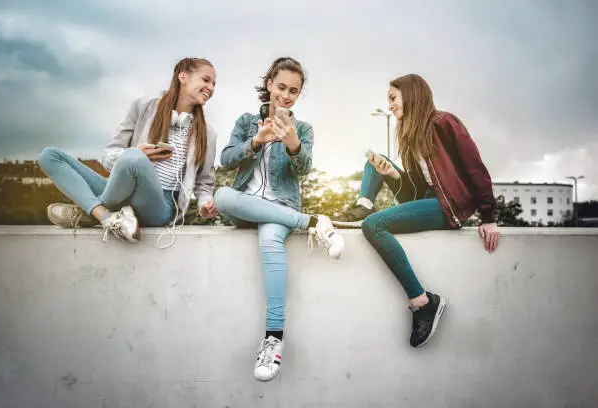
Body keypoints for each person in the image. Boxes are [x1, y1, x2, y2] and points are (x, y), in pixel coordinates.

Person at [334, 73, 500, 347]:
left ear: (410, 95)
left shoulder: (445, 123)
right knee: (376, 162)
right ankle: (362, 206)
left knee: (373, 226)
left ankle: (422, 302)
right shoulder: (410, 135)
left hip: (449, 207)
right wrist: (393, 176)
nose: (389, 105)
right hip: (425, 201)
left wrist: (489, 218)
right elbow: (412, 193)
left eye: (392, 98)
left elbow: (475, 168)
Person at [214, 57, 345, 381]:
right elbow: (226, 159)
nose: (286, 95)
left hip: (280, 207)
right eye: (282, 87)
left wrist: (293, 145)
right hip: (245, 203)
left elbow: (304, 168)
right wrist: (256, 141)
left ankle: (274, 339)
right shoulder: (246, 121)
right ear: (270, 84)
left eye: (294, 91)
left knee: (271, 240)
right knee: (221, 197)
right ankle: (311, 223)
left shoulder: (303, 129)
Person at [38, 57, 219, 242]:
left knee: (134, 157)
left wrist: (205, 203)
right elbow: (109, 157)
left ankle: (92, 211)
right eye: (206, 80)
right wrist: (138, 156)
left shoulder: (208, 134)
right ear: (183, 77)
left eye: (214, 84)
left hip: (160, 206)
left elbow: (204, 183)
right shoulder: (142, 107)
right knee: (50, 156)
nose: (211, 88)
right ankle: (106, 216)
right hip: (120, 190)